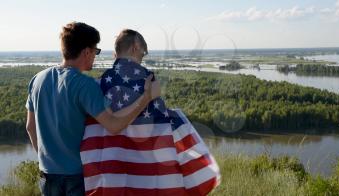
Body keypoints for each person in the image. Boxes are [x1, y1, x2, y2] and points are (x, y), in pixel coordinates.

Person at [25, 22, 160, 196]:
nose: (95, 56)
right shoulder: (84, 85)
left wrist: (45, 160)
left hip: (47, 175)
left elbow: (30, 126)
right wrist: (146, 98)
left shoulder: (37, 79)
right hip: (77, 177)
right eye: (95, 51)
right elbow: (113, 125)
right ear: (86, 52)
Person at [80, 29, 220, 195]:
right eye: (142, 54)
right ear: (135, 47)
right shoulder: (149, 81)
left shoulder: (98, 84)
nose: (141, 59)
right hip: (146, 179)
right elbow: (162, 124)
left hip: (112, 176)